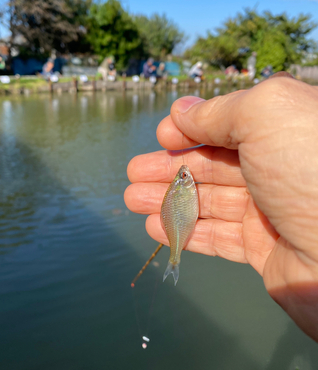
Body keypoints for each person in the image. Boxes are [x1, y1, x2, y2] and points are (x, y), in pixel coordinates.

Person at [124, 72, 318, 342]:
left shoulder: (185, 189)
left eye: (182, 177)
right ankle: (174, 259)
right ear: (184, 183)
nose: (186, 176)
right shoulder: (184, 189)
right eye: (183, 177)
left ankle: (174, 259)